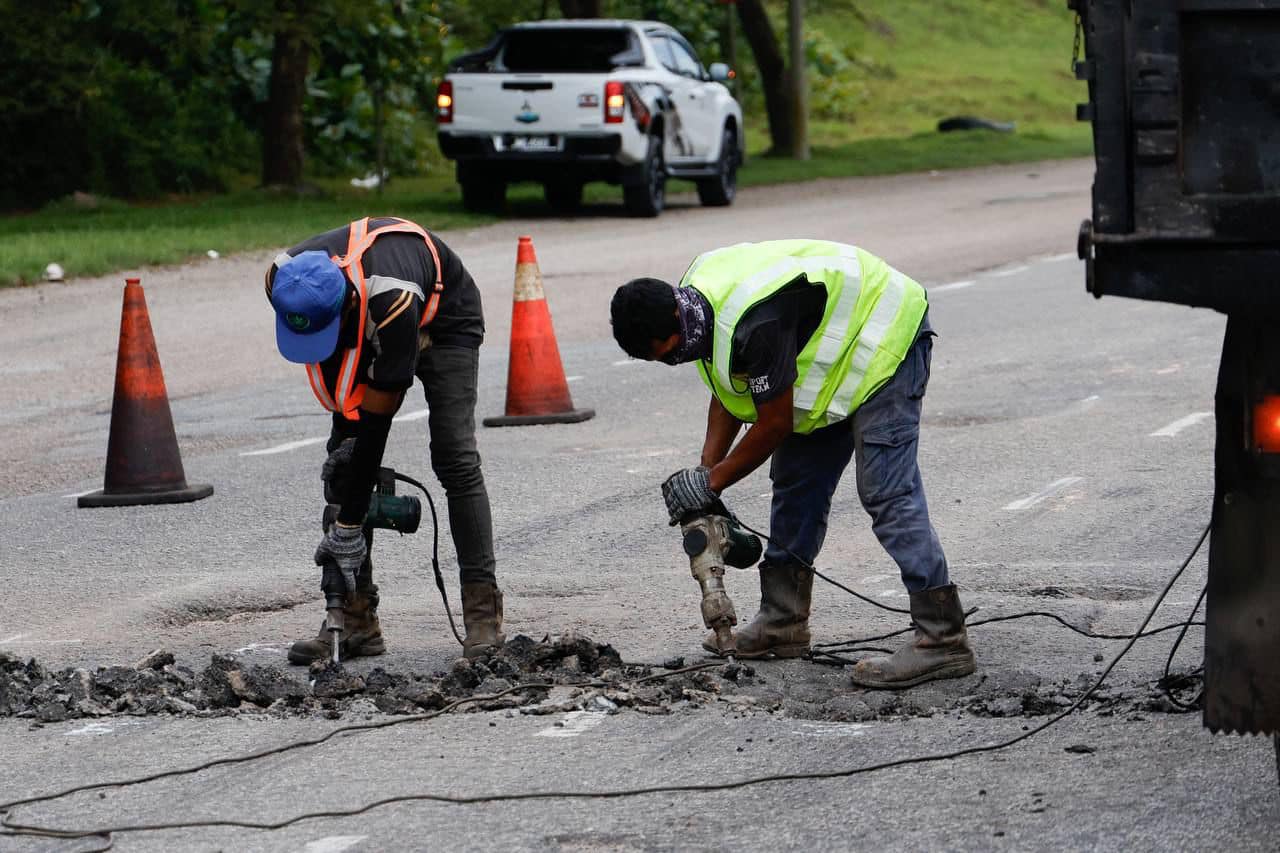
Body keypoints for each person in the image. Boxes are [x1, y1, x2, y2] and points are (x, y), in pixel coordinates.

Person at [609, 240, 974, 688]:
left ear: (673, 322)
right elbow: (730, 383)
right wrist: (706, 473)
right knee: (797, 482)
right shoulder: (693, 309)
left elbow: (774, 422)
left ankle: (943, 638)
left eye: (666, 353)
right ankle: (782, 623)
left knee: (886, 492)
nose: (669, 362)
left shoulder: (755, 322)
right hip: (830, 359)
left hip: (884, 344)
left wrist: (715, 482)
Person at [265, 216, 504, 663]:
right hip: (371, 315)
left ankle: (483, 616)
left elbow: (377, 425)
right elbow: (349, 414)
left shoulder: (391, 302)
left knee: (454, 457)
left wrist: (349, 525)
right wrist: (349, 471)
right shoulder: (283, 278)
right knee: (342, 463)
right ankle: (355, 623)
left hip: (444, 319)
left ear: (348, 306)